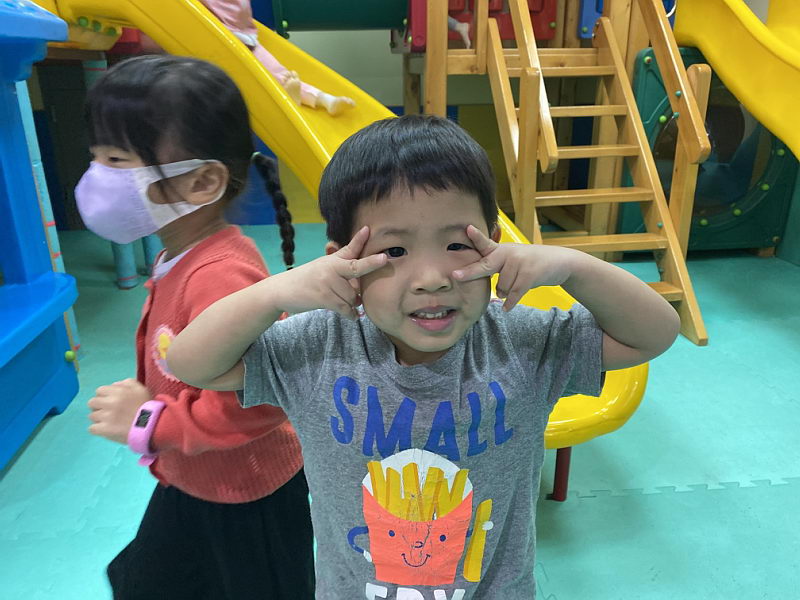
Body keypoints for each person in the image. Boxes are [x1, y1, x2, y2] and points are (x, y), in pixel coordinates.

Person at [167, 115, 680, 599]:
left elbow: (653, 334)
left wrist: (574, 267)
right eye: (394, 251)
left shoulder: (524, 343)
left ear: (494, 245)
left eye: (457, 244)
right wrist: (272, 294)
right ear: (343, 261)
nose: (432, 278)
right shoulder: (317, 348)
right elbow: (191, 364)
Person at [78, 55, 314, 600]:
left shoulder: (220, 276)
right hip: (194, 473)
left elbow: (260, 401)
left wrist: (148, 421)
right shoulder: (178, 255)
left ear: (202, 181)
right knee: (145, 581)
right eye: (96, 157)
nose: (96, 176)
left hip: (246, 490)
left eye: (117, 160)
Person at [201, 0, 356, 116]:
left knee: (281, 76)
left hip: (235, 37)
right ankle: (308, 101)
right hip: (237, 36)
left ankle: (322, 100)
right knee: (279, 75)